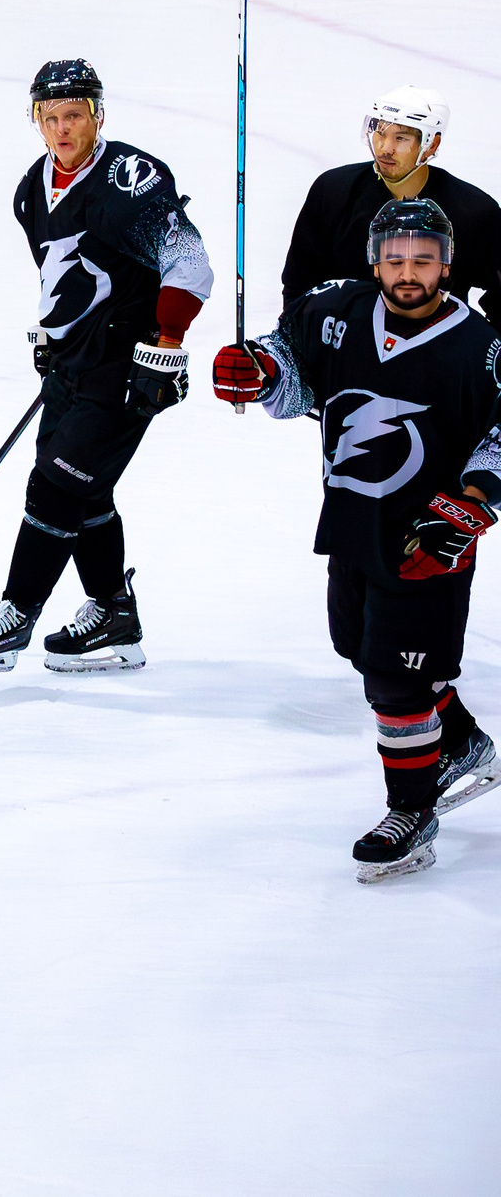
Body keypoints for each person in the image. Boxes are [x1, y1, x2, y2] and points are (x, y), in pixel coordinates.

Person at [215, 198, 501, 880]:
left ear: (447, 265)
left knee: (393, 678)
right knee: (361, 647)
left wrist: (469, 507)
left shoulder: (479, 345)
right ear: (375, 260)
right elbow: (292, 373)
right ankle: (460, 743)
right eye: (396, 259)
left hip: (428, 538)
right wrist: (258, 371)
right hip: (350, 521)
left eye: (424, 260)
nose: (409, 272)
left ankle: (412, 812)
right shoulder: (334, 310)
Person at [0, 60, 211, 674]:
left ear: (97, 115)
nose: (62, 128)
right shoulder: (29, 190)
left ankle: (16, 613)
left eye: (74, 115)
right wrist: (52, 335)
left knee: (56, 484)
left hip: (129, 365)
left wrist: (167, 342)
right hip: (72, 363)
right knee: (85, 487)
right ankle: (113, 614)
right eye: (51, 117)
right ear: (36, 121)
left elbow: (191, 264)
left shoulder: (131, 177)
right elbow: (61, 276)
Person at [281, 87, 501, 322]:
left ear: (431, 145)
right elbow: (299, 285)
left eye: (401, 138)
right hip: (345, 351)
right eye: (380, 132)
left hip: (431, 352)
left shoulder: (474, 212)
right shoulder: (333, 192)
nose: (385, 148)